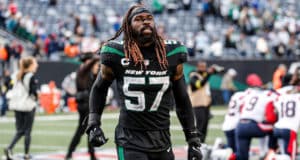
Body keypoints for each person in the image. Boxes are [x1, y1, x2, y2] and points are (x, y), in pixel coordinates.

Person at [86, 4, 203, 160]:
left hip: (162, 138)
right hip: (129, 139)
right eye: (139, 19)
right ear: (128, 26)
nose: (146, 22)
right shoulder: (116, 54)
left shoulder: (172, 54)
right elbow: (99, 88)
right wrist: (94, 123)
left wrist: (192, 138)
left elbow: (182, 98)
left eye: (149, 18)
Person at [65, 52, 100, 160]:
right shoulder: (82, 70)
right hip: (84, 105)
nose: (96, 65)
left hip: (88, 104)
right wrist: (99, 54)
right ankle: (72, 152)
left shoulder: (88, 73)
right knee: (84, 130)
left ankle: (89, 153)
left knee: (87, 129)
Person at [4, 56, 39, 160]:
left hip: (16, 105)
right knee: (27, 131)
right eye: (35, 63)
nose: (37, 65)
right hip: (27, 105)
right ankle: (26, 154)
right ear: (31, 65)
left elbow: (7, 85)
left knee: (20, 130)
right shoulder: (30, 76)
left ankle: (10, 147)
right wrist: (37, 97)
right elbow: (33, 93)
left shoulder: (15, 74)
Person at [235, 84, 279, 160]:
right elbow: (271, 118)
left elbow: (241, 109)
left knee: (242, 156)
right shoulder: (268, 96)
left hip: (240, 125)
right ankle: (271, 152)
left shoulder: (250, 95)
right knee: (274, 129)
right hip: (253, 126)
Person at [188, 61, 223, 143]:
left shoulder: (203, 74)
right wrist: (209, 73)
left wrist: (215, 69)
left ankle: (202, 144)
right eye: (202, 66)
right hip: (197, 104)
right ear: (198, 67)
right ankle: (197, 144)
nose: (204, 68)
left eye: (205, 66)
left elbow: (222, 71)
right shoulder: (193, 75)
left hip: (206, 105)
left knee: (204, 127)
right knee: (199, 126)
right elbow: (199, 85)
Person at [273, 87, 300, 160]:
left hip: (277, 128)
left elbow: (275, 111)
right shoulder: (297, 98)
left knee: (283, 152)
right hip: (290, 129)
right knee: (291, 156)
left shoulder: (281, 98)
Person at [222, 90, 245, 157]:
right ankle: (221, 148)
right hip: (235, 126)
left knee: (231, 148)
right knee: (237, 150)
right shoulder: (243, 97)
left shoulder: (234, 96)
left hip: (227, 125)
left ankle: (222, 146)